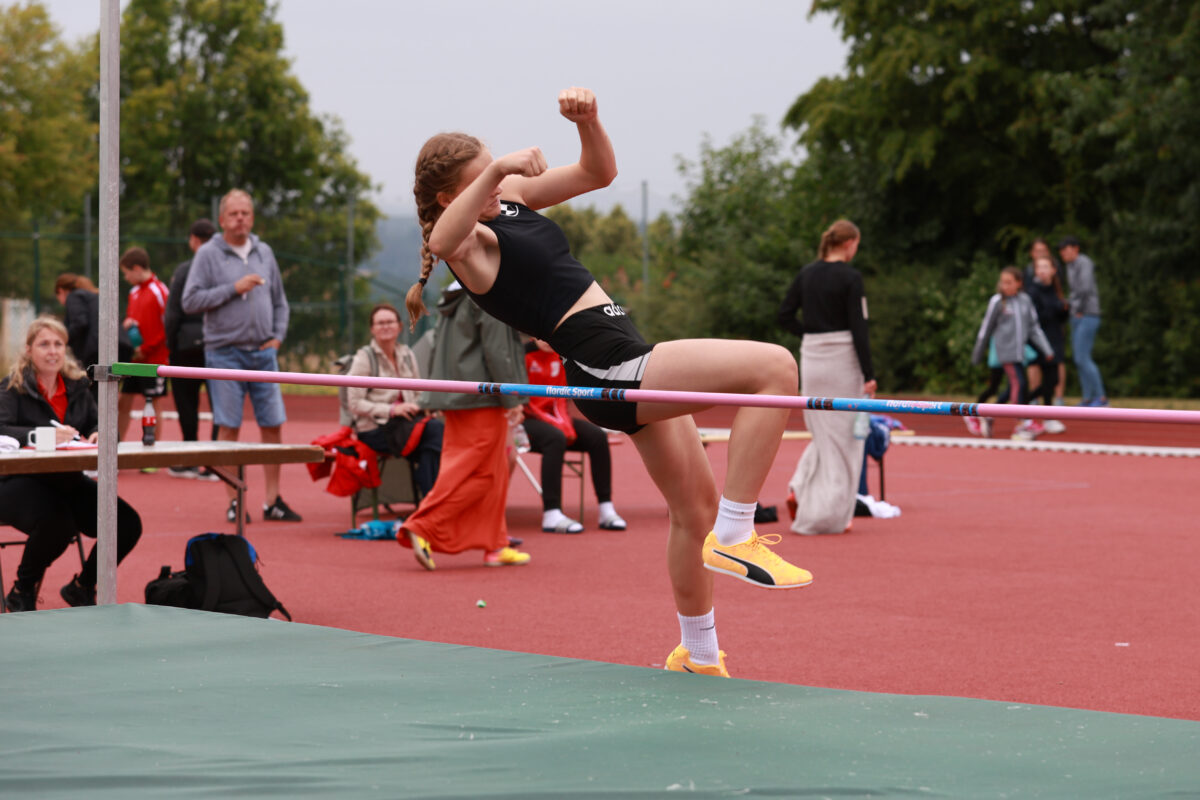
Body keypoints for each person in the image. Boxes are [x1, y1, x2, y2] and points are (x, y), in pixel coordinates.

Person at [406, 88, 809, 678]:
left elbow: (600, 172)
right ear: (450, 197)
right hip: (604, 365)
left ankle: (697, 654)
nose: (497, 184)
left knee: (691, 511)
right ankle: (738, 533)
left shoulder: (507, 201)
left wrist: (588, 122)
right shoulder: (470, 243)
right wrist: (496, 167)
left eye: (494, 172)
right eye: (482, 179)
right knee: (774, 368)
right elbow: (441, 240)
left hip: (624, 352)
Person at [0, 316, 143, 611]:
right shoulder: (11, 387)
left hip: (66, 480)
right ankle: (21, 590)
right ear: (28, 350)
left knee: (127, 523)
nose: (52, 351)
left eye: (58, 344)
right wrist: (43, 436)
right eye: (44, 344)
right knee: (58, 522)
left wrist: (102, 434)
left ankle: (82, 586)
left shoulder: (77, 386)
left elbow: (105, 425)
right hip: (16, 482)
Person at [181, 189, 302, 523]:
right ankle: (234, 500)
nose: (240, 219)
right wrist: (234, 289)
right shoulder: (208, 254)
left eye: (245, 213)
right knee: (229, 427)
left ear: (252, 217)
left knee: (273, 424)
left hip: (264, 353)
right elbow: (190, 301)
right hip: (224, 353)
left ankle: (273, 501)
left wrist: (277, 337)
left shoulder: (264, 252)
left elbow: (280, 300)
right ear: (222, 220)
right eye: (234, 214)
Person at [396, 283, 531, 569]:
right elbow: (497, 352)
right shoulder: (487, 295)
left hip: (460, 396)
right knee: (476, 473)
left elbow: (438, 348)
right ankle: (423, 524)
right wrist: (512, 399)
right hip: (482, 399)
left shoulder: (456, 296)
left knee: (491, 471)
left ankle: (496, 544)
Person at [777, 219, 876, 536]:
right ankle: (827, 515)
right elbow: (859, 328)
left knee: (822, 433)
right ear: (849, 244)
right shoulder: (851, 278)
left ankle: (800, 487)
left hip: (813, 358)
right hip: (842, 360)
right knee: (845, 439)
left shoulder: (807, 273)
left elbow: (784, 315)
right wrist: (869, 373)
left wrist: (810, 334)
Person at [523, 337, 626, 533]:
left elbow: (561, 398)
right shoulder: (523, 355)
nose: (545, 340)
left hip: (554, 417)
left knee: (597, 437)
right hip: (524, 419)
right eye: (539, 334)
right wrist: (559, 426)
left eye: (550, 335)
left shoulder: (561, 357)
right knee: (555, 438)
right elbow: (525, 404)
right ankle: (551, 512)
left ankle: (606, 509)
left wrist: (565, 425)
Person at [346, 302, 444, 498]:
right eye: (380, 323)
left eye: (390, 322)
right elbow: (355, 403)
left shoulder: (407, 354)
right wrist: (392, 409)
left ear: (399, 326)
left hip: (408, 425)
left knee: (431, 447)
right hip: (376, 429)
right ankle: (432, 505)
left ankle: (428, 503)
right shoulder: (364, 358)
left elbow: (420, 391)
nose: (385, 326)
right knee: (436, 432)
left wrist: (420, 406)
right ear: (372, 329)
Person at [163, 219, 220, 479]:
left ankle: (190, 458)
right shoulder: (224, 269)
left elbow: (173, 312)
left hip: (186, 345)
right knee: (221, 403)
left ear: (194, 240)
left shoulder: (185, 270)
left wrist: (171, 344)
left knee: (187, 404)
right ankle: (216, 461)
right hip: (218, 343)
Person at [969, 267, 1055, 438]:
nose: (1005, 286)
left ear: (1019, 283)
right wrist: (978, 353)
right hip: (1005, 352)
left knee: (1011, 388)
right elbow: (986, 329)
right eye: (1002, 282)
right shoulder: (997, 301)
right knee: (1020, 384)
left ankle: (990, 415)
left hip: (1019, 353)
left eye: (1009, 282)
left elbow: (1034, 328)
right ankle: (1021, 423)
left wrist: (1046, 349)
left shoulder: (1025, 301)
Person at [116, 247, 170, 444]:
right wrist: (128, 326)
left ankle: (152, 453)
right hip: (134, 359)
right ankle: (116, 448)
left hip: (153, 360)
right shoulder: (134, 292)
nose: (126, 277)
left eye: (127, 272)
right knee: (124, 402)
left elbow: (167, 327)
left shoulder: (160, 291)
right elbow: (134, 319)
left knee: (153, 403)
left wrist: (145, 349)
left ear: (137, 268)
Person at [1022, 256, 1070, 437]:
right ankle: (1025, 406)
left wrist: (1064, 310)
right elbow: (1037, 318)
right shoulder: (1033, 291)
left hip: (1055, 338)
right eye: (1038, 267)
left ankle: (1046, 416)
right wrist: (1058, 307)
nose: (1041, 270)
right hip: (1039, 341)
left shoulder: (1055, 289)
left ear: (1053, 270)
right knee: (1046, 380)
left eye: (1045, 266)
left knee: (1053, 380)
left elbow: (1058, 317)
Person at [1058, 235, 1108, 407]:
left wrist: (1075, 307)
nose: (1063, 253)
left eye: (1066, 249)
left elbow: (1085, 288)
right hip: (1077, 314)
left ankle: (1101, 397)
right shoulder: (1069, 266)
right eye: (1061, 251)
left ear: (1075, 249)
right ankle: (1088, 397)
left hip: (1087, 314)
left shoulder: (1084, 262)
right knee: (1079, 358)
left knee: (1083, 357)